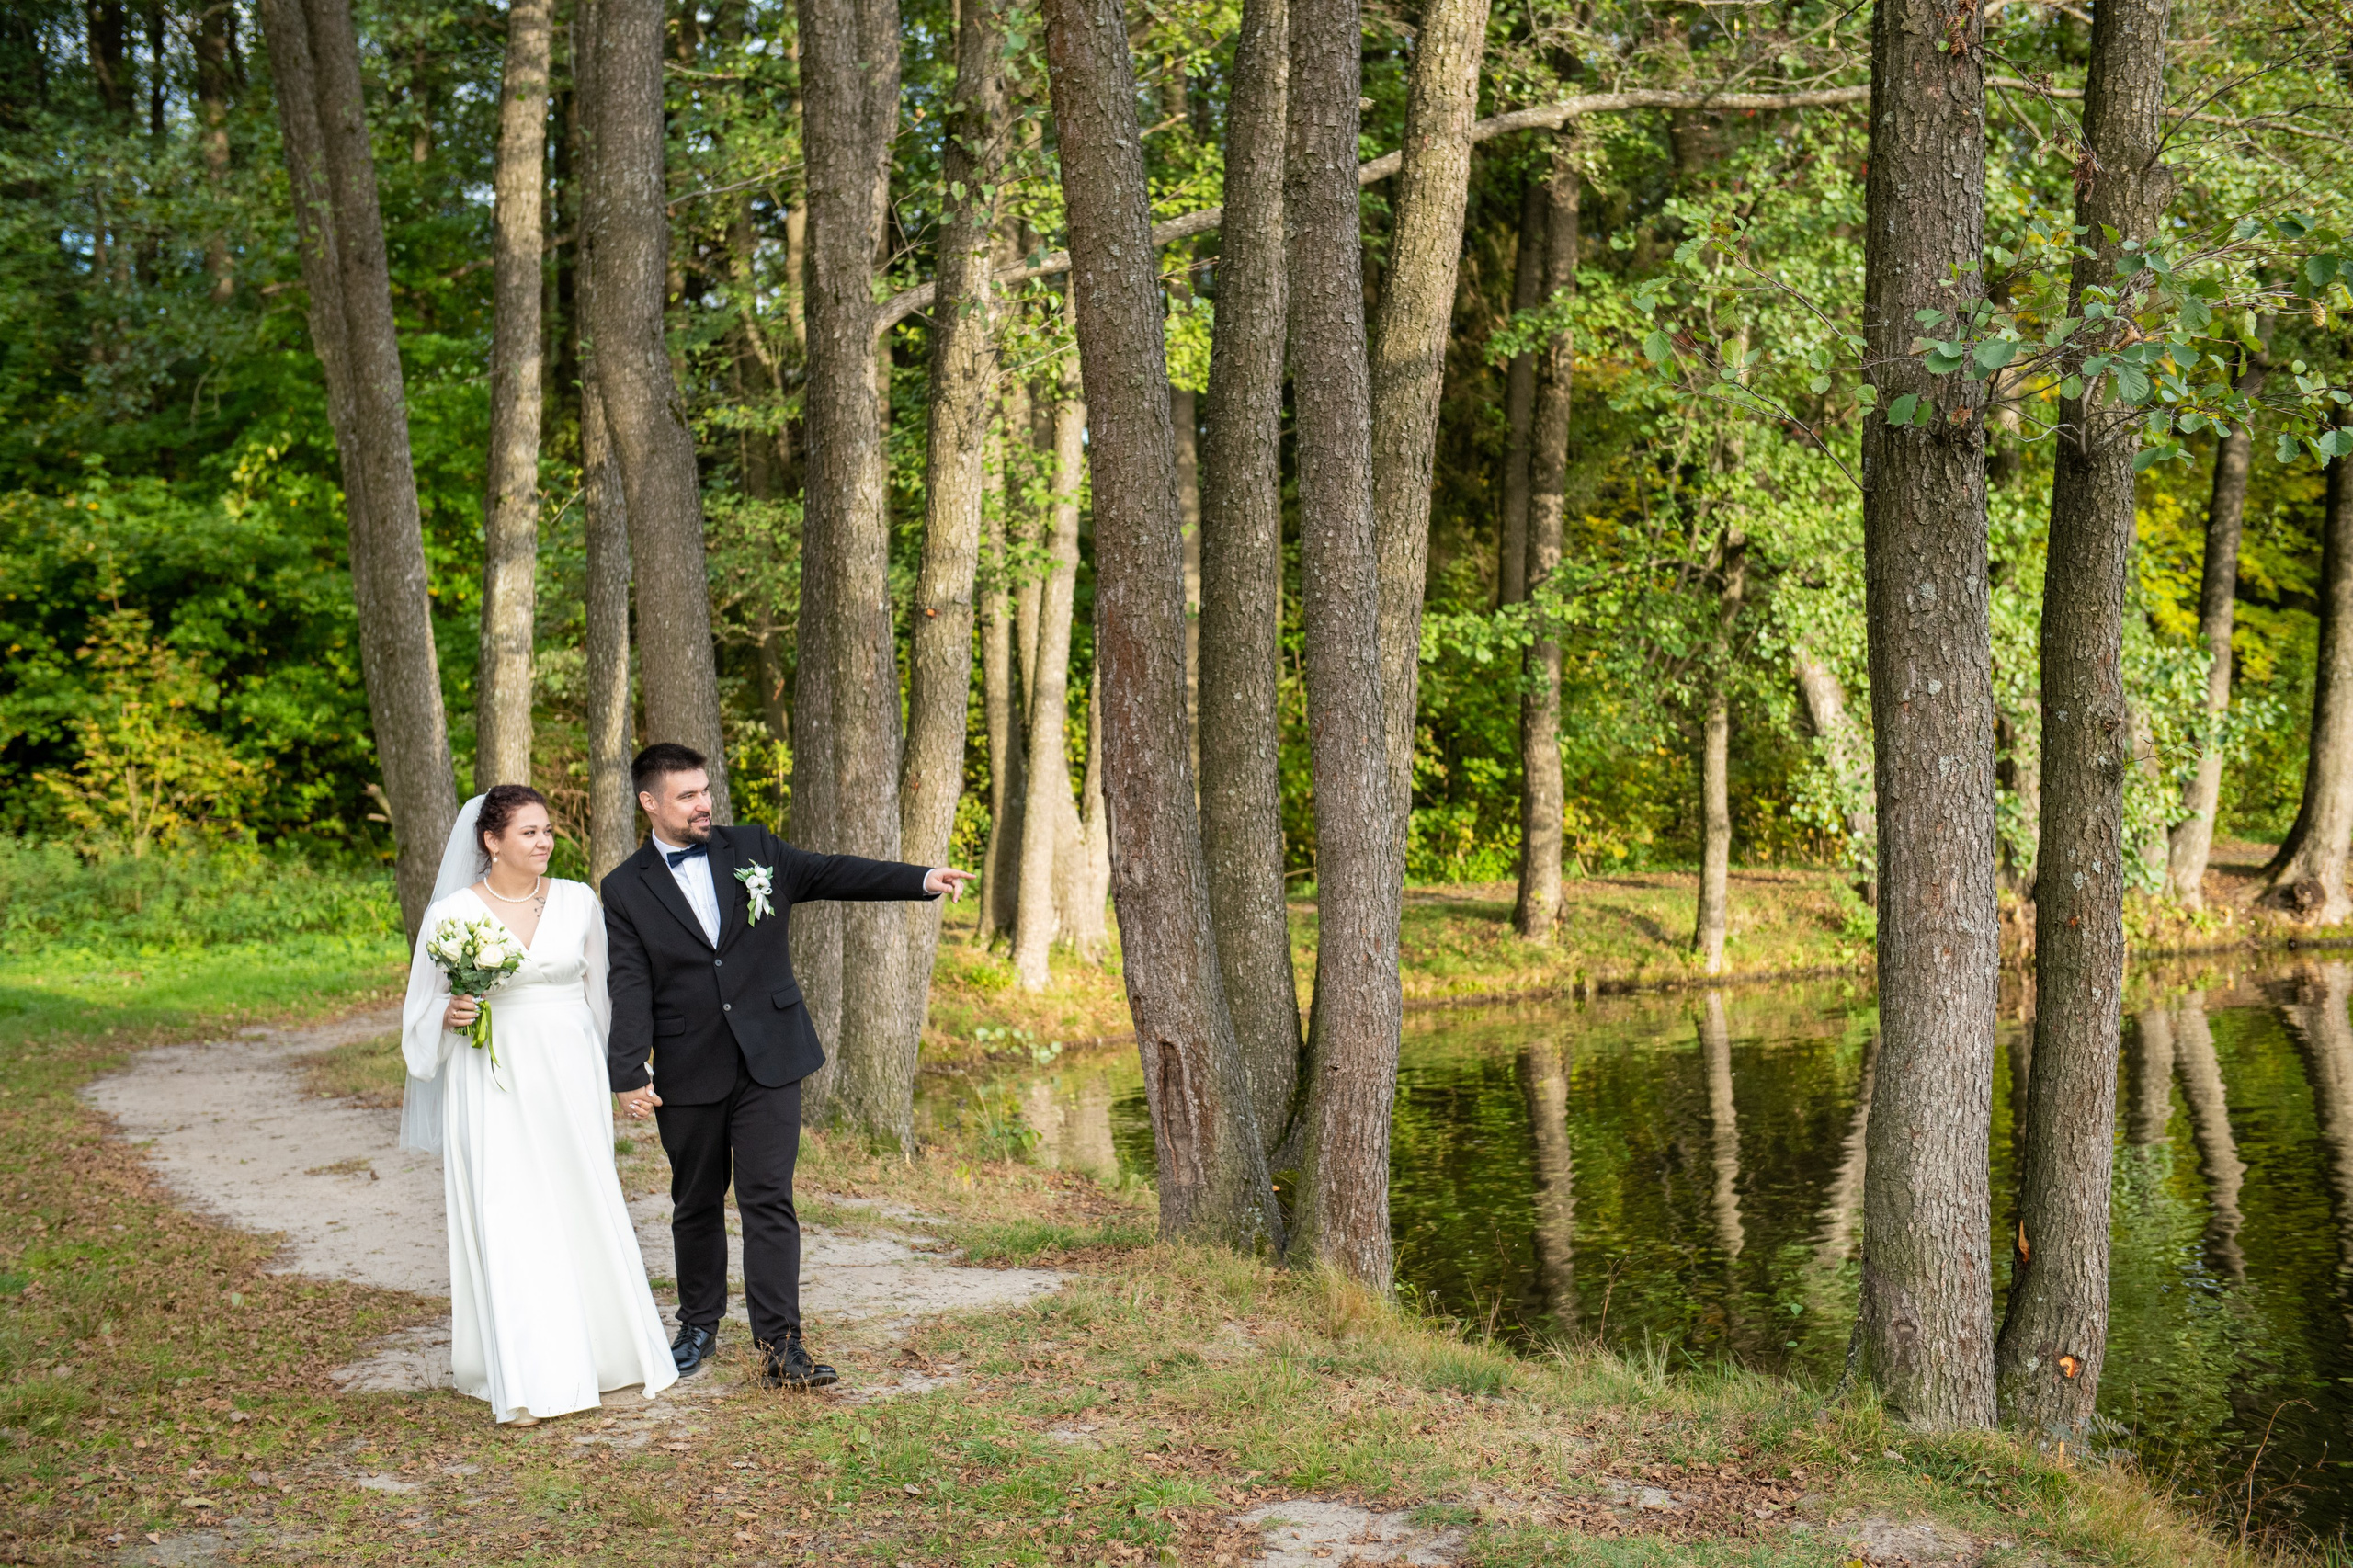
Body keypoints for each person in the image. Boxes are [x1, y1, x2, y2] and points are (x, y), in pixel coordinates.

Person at [602, 744, 974, 1389]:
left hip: (772, 1054)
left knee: (768, 1197)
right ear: (650, 802)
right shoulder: (624, 888)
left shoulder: (751, 847)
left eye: (705, 790)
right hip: (688, 1064)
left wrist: (919, 879)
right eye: (687, 794)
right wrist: (629, 1070)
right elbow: (628, 982)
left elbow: (833, 872)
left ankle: (781, 1346)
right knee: (695, 1202)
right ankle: (698, 1327)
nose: (704, 803)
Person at [397, 785, 681, 1425]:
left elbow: (604, 994)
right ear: (491, 842)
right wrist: (449, 1012)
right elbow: (420, 1008)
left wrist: (626, 1074)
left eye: (548, 830)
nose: (545, 841)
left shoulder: (580, 901)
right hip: (491, 1076)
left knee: (581, 1195)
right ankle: (527, 1374)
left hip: (568, 1067)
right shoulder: (451, 914)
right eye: (528, 832)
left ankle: (608, 1355)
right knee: (509, 1208)